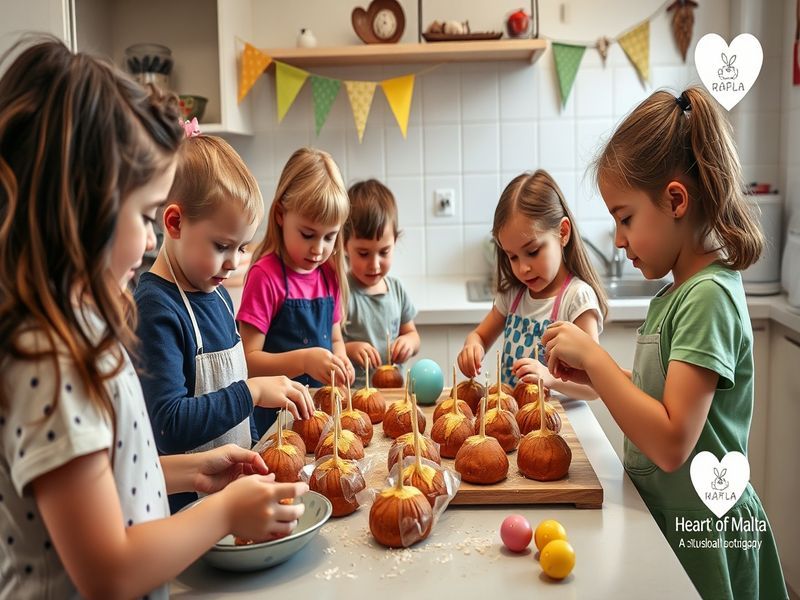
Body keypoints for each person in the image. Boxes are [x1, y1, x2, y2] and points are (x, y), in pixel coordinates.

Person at [0, 38, 306, 599]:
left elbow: (109, 478)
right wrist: (223, 514)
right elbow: (109, 571)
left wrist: (194, 472)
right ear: (80, 208)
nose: (148, 242)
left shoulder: (82, 335)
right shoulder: (49, 360)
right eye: (142, 215)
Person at [542, 87, 788, 599]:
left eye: (625, 217)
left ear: (676, 200)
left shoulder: (708, 297)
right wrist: (601, 378)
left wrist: (594, 357)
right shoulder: (679, 294)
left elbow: (674, 442)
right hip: (670, 518)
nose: (618, 239)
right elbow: (664, 398)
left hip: (704, 530)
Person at [134, 125, 314, 512]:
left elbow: (229, 390)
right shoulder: (156, 308)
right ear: (174, 223)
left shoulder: (213, 293)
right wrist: (251, 392)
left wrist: (253, 449)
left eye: (243, 246)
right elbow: (169, 425)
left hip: (231, 501)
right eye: (221, 246)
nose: (233, 263)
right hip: (189, 514)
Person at [457, 170, 607, 399]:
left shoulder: (576, 298)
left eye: (533, 251)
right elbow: (479, 336)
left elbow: (596, 386)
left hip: (559, 423)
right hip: (514, 423)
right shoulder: (513, 295)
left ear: (562, 233)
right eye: (512, 257)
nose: (523, 268)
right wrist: (472, 347)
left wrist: (548, 377)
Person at [238, 147, 354, 436]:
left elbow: (336, 337)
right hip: (276, 426)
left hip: (323, 417)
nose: (318, 249)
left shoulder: (329, 274)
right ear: (280, 215)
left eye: (330, 236)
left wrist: (340, 362)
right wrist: (304, 360)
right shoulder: (265, 277)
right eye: (307, 234)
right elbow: (247, 362)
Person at [342, 179, 419, 387]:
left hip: (395, 394)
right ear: (344, 244)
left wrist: (408, 344)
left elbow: (413, 335)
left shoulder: (396, 290)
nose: (374, 265)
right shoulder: (342, 292)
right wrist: (349, 349)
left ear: (395, 241)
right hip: (355, 399)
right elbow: (327, 347)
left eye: (384, 252)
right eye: (364, 253)